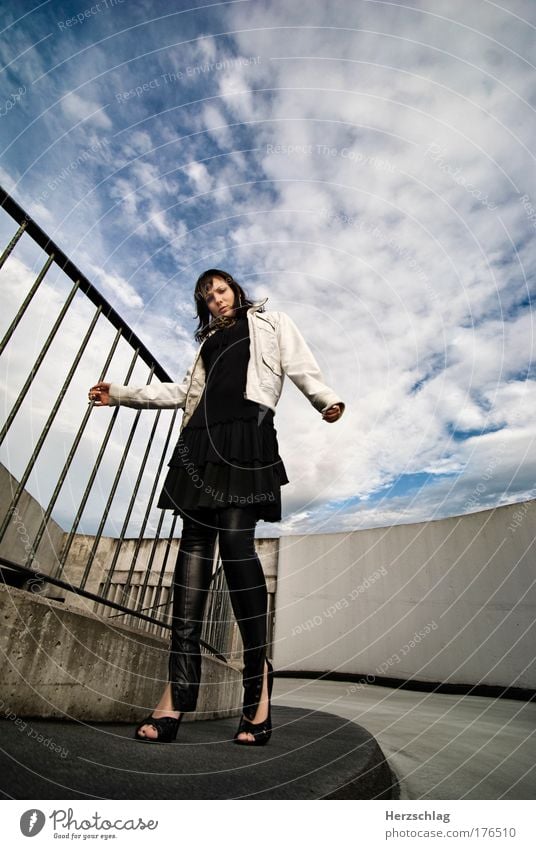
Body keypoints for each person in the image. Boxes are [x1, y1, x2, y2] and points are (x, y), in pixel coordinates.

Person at [88, 269, 345, 746]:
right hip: (200, 443)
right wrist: (120, 394)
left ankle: (257, 680)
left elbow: (301, 365)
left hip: (246, 437)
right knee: (191, 557)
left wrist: (325, 400)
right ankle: (176, 696)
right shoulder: (206, 343)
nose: (216, 301)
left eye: (221, 291)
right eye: (207, 297)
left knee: (235, 545)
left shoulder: (270, 323)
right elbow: (182, 393)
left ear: (236, 291)